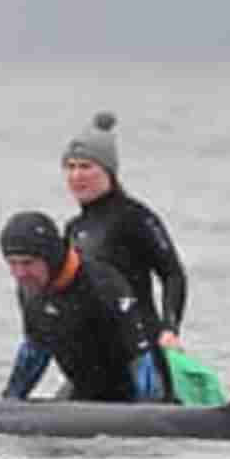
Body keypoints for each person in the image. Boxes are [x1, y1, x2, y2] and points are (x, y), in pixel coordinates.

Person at [0, 210, 168, 403]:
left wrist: (147, 414)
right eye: (12, 263)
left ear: (51, 256)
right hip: (84, 396)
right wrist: (10, 401)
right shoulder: (30, 290)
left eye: (28, 263)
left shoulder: (102, 284)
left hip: (136, 396)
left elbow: (141, 360)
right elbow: (36, 350)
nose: (20, 273)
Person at [61, 112, 187, 352]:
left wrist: (170, 329)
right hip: (97, 351)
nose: (76, 176)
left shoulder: (134, 217)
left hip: (142, 347)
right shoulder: (73, 229)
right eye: (70, 167)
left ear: (109, 171)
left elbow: (172, 274)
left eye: (86, 167)